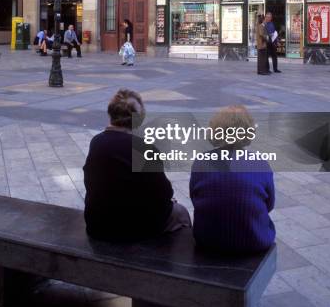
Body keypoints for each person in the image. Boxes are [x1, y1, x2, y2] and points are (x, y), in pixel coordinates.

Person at [83, 89, 191, 241]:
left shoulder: (96, 142)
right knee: (181, 213)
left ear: (111, 115)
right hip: (134, 229)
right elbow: (165, 192)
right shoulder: (143, 148)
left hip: (98, 225)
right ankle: (173, 260)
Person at [189, 106, 276, 254]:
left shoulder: (201, 162)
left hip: (208, 240)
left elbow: (195, 198)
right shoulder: (260, 163)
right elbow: (269, 204)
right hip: (254, 240)